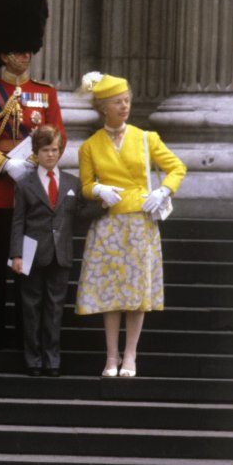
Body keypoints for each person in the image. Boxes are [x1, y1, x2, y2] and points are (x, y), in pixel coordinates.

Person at [0, 0, 65, 354]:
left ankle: (27, 332)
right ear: (2, 54)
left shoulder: (46, 94)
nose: (23, 57)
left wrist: (33, 161)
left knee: (25, 265)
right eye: (16, 51)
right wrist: (4, 163)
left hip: (34, 193)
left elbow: (59, 136)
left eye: (27, 50)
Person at [75, 73, 186, 378]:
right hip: (109, 223)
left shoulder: (145, 137)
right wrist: (98, 190)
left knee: (136, 293)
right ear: (103, 107)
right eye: (117, 102)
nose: (124, 106)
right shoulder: (89, 146)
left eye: (126, 100)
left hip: (139, 221)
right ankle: (111, 357)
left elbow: (176, 167)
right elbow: (85, 184)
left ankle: (130, 356)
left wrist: (163, 190)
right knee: (111, 293)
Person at [10, 127, 85, 377]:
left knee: (55, 308)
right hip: (33, 251)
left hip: (61, 253)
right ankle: (33, 358)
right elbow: (18, 221)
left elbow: (81, 212)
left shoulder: (72, 182)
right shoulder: (25, 184)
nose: (51, 155)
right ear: (36, 153)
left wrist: (104, 204)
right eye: (45, 150)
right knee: (31, 306)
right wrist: (16, 255)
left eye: (54, 150)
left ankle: (52, 360)